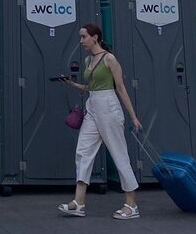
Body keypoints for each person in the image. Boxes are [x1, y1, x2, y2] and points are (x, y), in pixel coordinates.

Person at [56, 22, 143, 220]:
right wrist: (70, 83)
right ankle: (78, 203)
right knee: (83, 151)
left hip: (109, 106)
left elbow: (120, 88)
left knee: (119, 153)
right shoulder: (88, 61)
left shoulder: (110, 59)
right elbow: (90, 88)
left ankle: (132, 204)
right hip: (93, 105)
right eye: (81, 37)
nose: (81, 41)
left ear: (95, 37)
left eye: (84, 36)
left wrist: (133, 116)